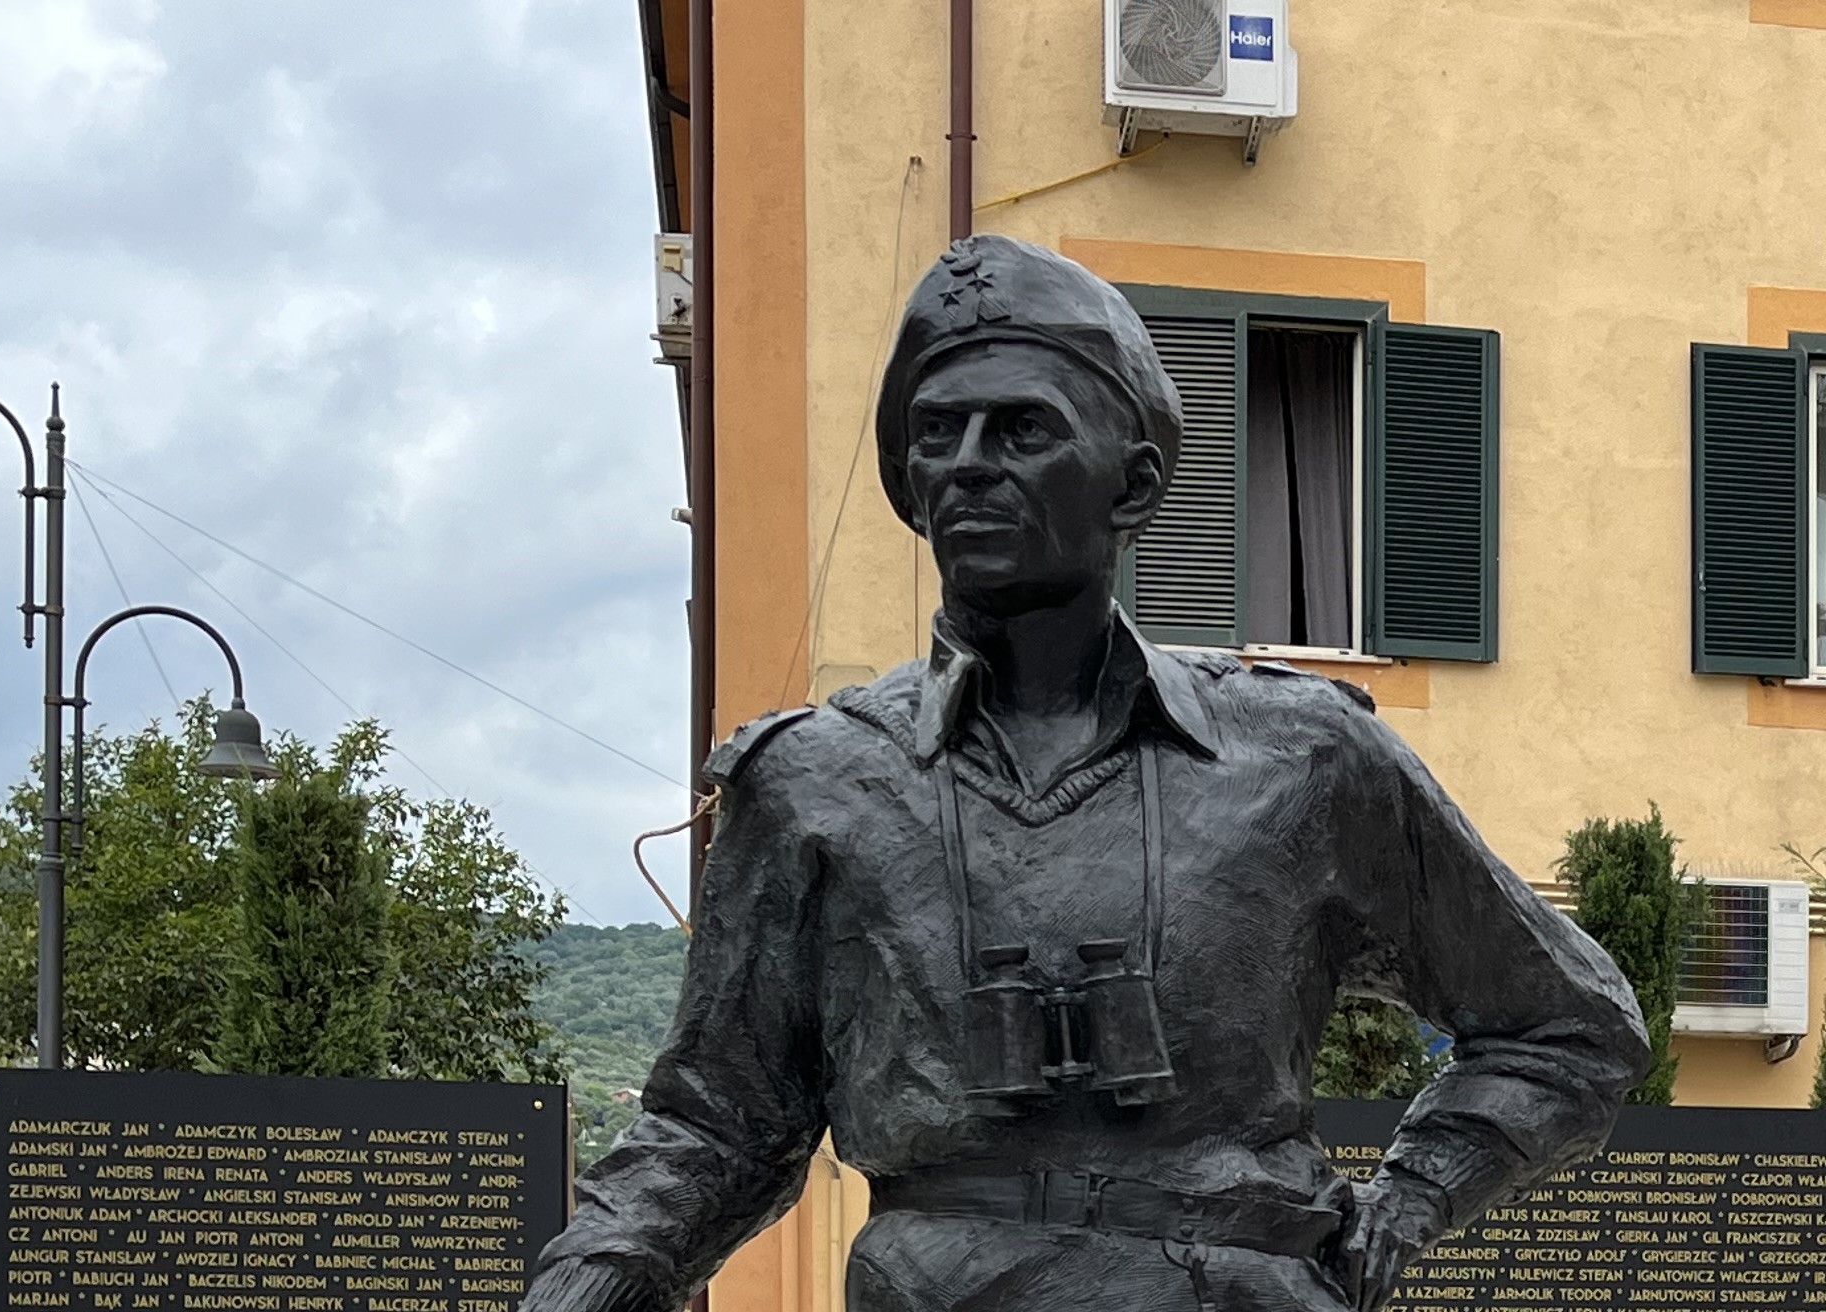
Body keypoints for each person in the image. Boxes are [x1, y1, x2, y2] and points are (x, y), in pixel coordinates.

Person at [524, 235, 1646, 1312]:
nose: (966, 466)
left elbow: (1567, 1023)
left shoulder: (1303, 758)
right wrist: (591, 1275)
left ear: (1134, 481)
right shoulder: (818, 781)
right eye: (937, 435)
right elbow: (721, 1119)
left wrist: (1407, 1201)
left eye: (1020, 431)